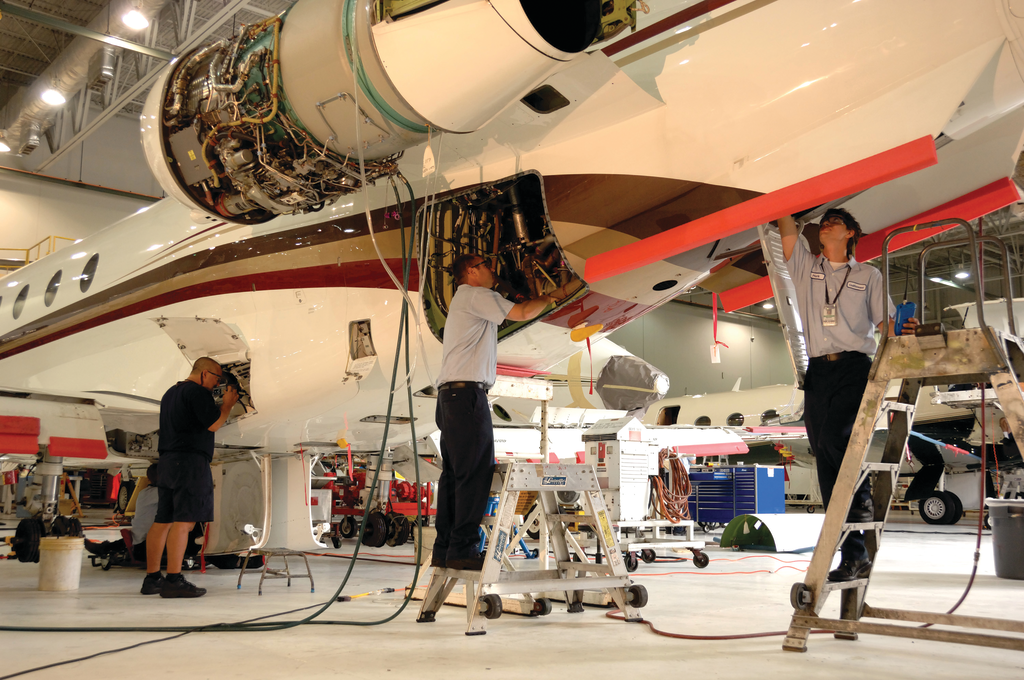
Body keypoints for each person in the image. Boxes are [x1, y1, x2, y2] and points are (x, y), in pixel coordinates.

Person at [780, 209, 917, 582]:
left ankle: (861, 513)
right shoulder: (806, 268)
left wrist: (903, 325)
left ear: (852, 233)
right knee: (823, 459)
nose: (826, 223)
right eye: (823, 221)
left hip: (855, 367)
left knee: (834, 440)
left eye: (836, 220)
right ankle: (851, 553)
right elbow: (786, 227)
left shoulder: (867, 275)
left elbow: (883, 322)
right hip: (818, 371)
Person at [432, 254, 565, 571]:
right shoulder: (477, 295)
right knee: (474, 475)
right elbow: (522, 312)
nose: (494, 271)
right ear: (472, 271)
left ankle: (445, 548)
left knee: (453, 476)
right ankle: (462, 549)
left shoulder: (463, 301)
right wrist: (550, 296)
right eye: (487, 267)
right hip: (467, 397)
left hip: (449, 398)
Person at [142, 357, 238, 597]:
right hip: (190, 463)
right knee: (184, 522)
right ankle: (174, 580)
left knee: (163, 519)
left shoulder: (170, 393)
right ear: (204, 374)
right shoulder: (197, 393)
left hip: (167, 462)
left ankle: (152, 578)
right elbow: (214, 424)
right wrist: (226, 404)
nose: (216, 384)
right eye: (217, 378)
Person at [86, 464, 161, 562]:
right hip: (147, 548)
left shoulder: (145, 492)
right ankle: (105, 548)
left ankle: (105, 548)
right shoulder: (159, 493)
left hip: (142, 544)